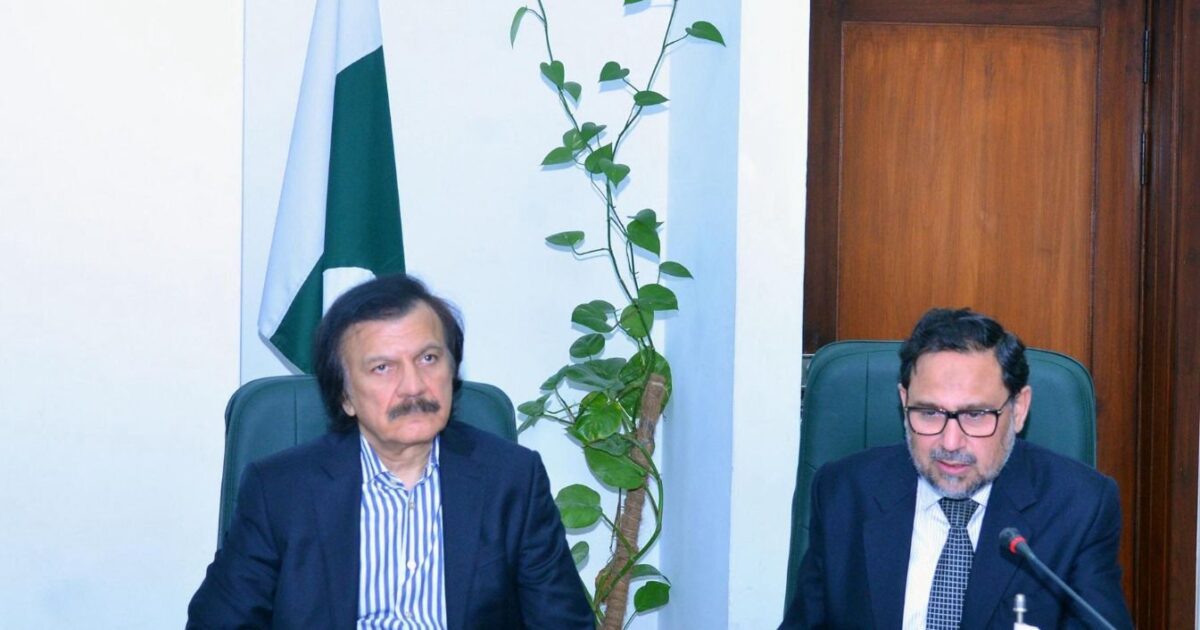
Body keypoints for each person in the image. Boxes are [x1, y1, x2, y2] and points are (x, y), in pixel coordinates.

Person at [188, 274, 593, 629]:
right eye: (382, 367)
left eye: (428, 358)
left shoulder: (513, 479)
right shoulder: (280, 491)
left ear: (452, 370)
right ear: (345, 396)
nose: (413, 386)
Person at [781, 308, 1133, 629]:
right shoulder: (844, 493)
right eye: (929, 413)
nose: (950, 442)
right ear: (904, 401)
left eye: (975, 415)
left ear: (1019, 408)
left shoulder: (1079, 507)